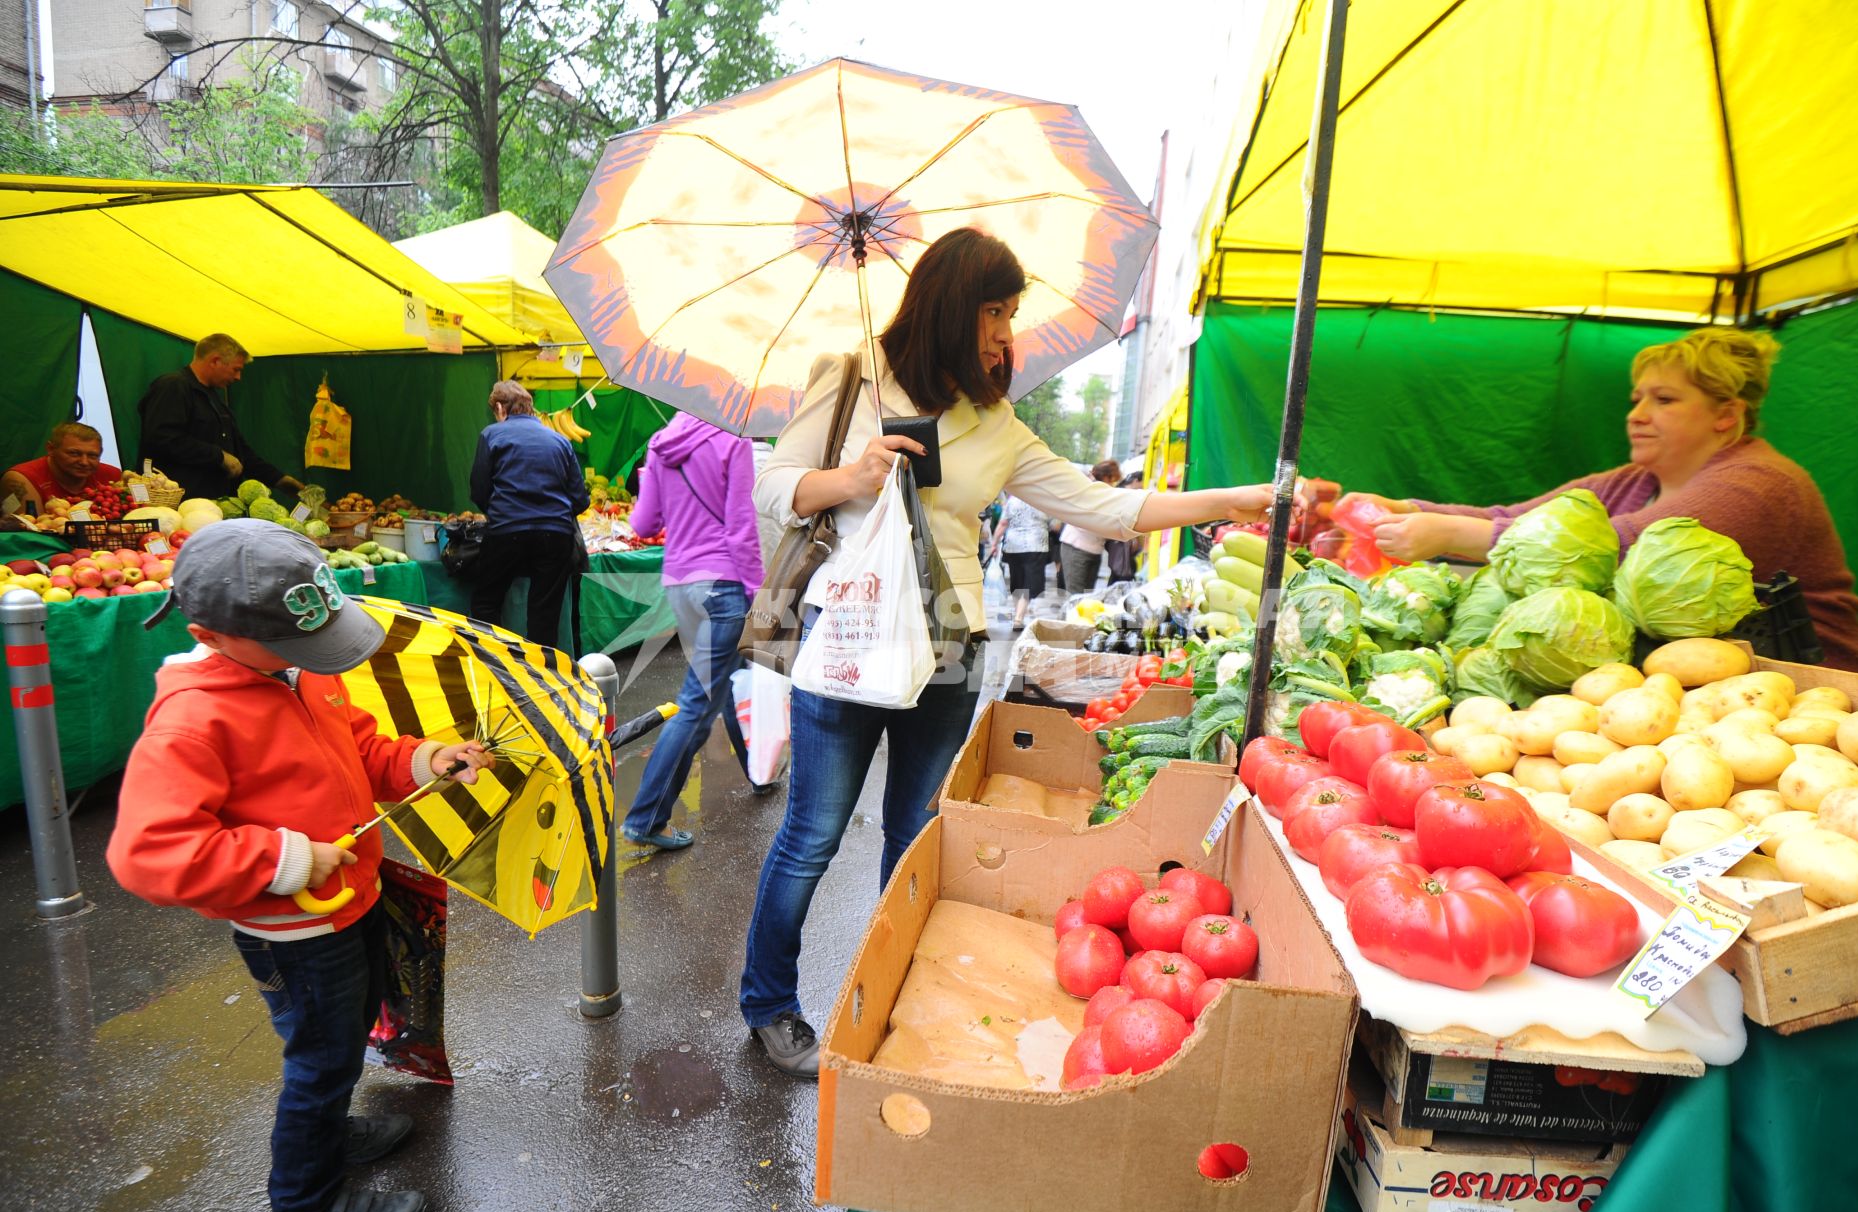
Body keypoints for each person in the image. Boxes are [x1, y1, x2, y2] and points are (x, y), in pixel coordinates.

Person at [741, 227, 1274, 1077]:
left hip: (949, 654)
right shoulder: (846, 378)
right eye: (995, 310)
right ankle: (769, 1003)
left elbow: (1104, 506)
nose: (1003, 332)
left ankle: (887, 1000)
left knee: (918, 837)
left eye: (1010, 313)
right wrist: (853, 477)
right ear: (953, 306)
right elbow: (775, 486)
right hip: (846, 642)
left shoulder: (997, 422)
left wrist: (1238, 499)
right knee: (812, 833)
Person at [104, 520, 494, 1212]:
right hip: (296, 931)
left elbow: (361, 746)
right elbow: (146, 853)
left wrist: (422, 760)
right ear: (209, 634)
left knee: (343, 1039)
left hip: (353, 899)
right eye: (294, 644)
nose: (317, 659)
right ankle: (305, 1210)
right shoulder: (192, 719)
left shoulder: (298, 669)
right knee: (319, 1060)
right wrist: (284, 858)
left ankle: (332, 1129)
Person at [1364, 327, 1858, 676]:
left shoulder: (1760, 483)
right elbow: (1518, 520)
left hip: (1824, 688)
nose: (1636, 414)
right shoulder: (1633, 480)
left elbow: (1619, 549)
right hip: (1718, 691)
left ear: (1725, 415)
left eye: (1663, 400)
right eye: (1636, 398)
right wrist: (1404, 510)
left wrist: (1448, 536)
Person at [619, 410, 772, 853]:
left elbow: (644, 524)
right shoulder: (733, 441)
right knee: (697, 703)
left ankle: (759, 770)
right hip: (722, 586)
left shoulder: (661, 442)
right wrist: (758, 594)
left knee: (720, 684)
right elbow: (742, 528)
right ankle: (646, 817)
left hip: (680, 585)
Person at [468, 381, 589, 650]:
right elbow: (580, 498)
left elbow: (479, 489)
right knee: (544, 614)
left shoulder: (492, 435)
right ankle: (541, 676)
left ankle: (495, 663)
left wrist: (501, 513)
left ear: (500, 407)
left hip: (506, 533)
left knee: (486, 602)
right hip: (556, 536)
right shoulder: (559, 440)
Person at [137, 334, 301, 500]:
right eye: (236, 369)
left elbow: (241, 453)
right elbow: (162, 438)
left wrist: (280, 480)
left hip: (215, 505)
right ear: (215, 361)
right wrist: (219, 456)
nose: (238, 378)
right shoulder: (173, 386)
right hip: (177, 506)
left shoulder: (215, 400)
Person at [1, 421, 122, 513]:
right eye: (74, 453)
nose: (84, 462)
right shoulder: (22, 478)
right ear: (51, 449)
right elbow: (32, 529)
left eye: (92, 455)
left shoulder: (112, 475)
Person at [985, 490, 1052, 627]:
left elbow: (1003, 523)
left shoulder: (1013, 500)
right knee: (1029, 581)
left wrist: (994, 543)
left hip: (1014, 545)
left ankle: (1018, 614)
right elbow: (1054, 524)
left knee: (1017, 580)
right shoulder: (1044, 500)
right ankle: (1019, 618)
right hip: (1036, 544)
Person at [1057, 459, 1123, 593]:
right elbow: (1081, 519)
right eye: (1113, 479)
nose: (1114, 484)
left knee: (1087, 596)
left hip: (1095, 550)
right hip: (1076, 547)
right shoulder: (1088, 491)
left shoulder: (1107, 494)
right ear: (1105, 477)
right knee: (1075, 595)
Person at [1106, 471, 1146, 584]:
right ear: (1136, 481)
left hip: (1120, 541)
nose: (1143, 486)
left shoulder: (1122, 490)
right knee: (1122, 570)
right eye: (1142, 482)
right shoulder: (1125, 493)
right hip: (1120, 540)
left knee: (1119, 570)